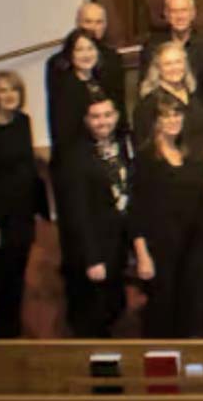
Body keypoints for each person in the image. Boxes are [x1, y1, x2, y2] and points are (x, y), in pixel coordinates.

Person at [0, 71, 47, 338]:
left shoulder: (23, 122)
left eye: (13, 89)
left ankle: (14, 341)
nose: (9, 95)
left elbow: (26, 167)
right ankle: (0, 343)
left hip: (22, 216)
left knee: (17, 283)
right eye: (2, 91)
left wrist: (39, 208)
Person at [130, 95, 203, 338]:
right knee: (162, 316)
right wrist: (142, 255)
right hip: (160, 249)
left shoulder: (189, 156)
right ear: (155, 121)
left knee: (190, 314)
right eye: (166, 116)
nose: (173, 120)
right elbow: (137, 211)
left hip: (192, 248)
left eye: (177, 114)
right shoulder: (145, 159)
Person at [56, 92, 133, 338]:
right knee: (93, 319)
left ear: (117, 116)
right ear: (87, 120)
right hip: (94, 249)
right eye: (96, 117)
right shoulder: (76, 156)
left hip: (117, 245)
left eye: (108, 115)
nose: (103, 121)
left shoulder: (122, 145)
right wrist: (92, 258)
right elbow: (77, 212)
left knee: (115, 308)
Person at [139, 0, 203, 113]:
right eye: (174, 11)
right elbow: (145, 89)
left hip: (201, 116)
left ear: (193, 13)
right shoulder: (152, 46)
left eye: (184, 11)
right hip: (164, 115)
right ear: (167, 15)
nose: (179, 16)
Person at [45, 3, 126, 130]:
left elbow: (119, 103)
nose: (93, 28)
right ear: (78, 23)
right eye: (88, 22)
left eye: (99, 22)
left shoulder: (113, 59)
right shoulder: (57, 64)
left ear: (105, 26)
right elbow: (56, 112)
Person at [134, 41, 203, 157]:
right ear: (158, 68)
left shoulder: (192, 94)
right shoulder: (149, 104)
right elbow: (146, 148)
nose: (174, 68)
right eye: (168, 64)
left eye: (178, 62)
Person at [47, 28, 113, 159]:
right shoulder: (66, 87)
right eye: (79, 50)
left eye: (90, 48)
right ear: (70, 54)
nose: (86, 55)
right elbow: (66, 135)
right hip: (78, 159)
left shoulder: (99, 81)